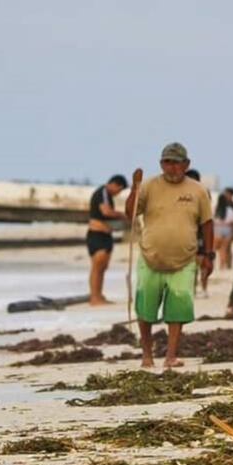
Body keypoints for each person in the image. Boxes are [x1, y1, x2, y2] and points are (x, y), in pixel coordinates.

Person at [124, 142, 214, 369]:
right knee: (145, 309)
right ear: (161, 164)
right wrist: (134, 188)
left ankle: (170, 356)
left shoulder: (198, 190)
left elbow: (207, 224)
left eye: (176, 162)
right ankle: (147, 356)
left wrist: (209, 255)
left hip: (185, 260)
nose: (171, 167)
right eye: (167, 162)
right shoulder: (148, 186)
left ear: (186, 164)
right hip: (150, 257)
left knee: (178, 310)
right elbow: (131, 214)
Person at [87, 174, 129, 305]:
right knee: (97, 267)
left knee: (102, 268)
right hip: (97, 235)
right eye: (120, 190)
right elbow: (106, 212)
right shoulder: (103, 192)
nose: (119, 193)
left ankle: (99, 295)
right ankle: (94, 297)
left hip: (105, 235)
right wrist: (123, 215)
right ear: (115, 185)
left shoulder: (108, 195)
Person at [187, 169, 213, 297]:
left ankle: (203, 288)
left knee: (201, 261)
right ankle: (193, 289)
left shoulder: (203, 192)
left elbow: (207, 214)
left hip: (200, 231)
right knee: (190, 262)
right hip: (187, 231)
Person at [213, 188, 233, 270]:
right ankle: (222, 266)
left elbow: (212, 220)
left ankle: (211, 264)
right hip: (228, 229)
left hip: (218, 229)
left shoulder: (216, 209)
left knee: (213, 249)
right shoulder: (231, 208)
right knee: (223, 249)